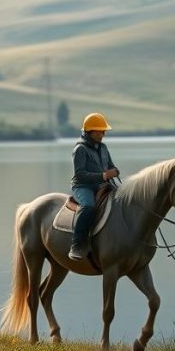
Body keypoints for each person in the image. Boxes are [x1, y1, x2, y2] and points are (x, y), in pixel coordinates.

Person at [69, 112, 119, 261]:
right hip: (83, 186)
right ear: (90, 132)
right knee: (89, 206)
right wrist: (104, 176)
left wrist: (114, 171)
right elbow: (80, 175)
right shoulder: (80, 150)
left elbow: (109, 165)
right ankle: (76, 245)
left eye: (104, 131)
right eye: (100, 131)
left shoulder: (103, 148)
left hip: (102, 185)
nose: (104, 134)